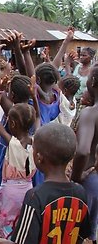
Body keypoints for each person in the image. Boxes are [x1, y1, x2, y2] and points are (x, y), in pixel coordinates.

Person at [0, 123, 92, 244]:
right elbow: (83, 234)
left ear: (38, 158)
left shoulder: (35, 196)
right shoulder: (80, 193)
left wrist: (2, 242)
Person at [0, 82, 40, 238]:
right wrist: (34, 96)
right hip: (28, 189)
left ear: (11, 124)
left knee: (3, 218)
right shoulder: (36, 140)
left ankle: (0, 238)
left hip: (9, 191)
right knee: (19, 218)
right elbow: (38, 116)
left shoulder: (11, 142)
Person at [71, 65, 98, 243]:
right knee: (92, 227)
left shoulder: (90, 113)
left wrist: (76, 176)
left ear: (93, 81)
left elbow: (82, 151)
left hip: (88, 179)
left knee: (78, 232)